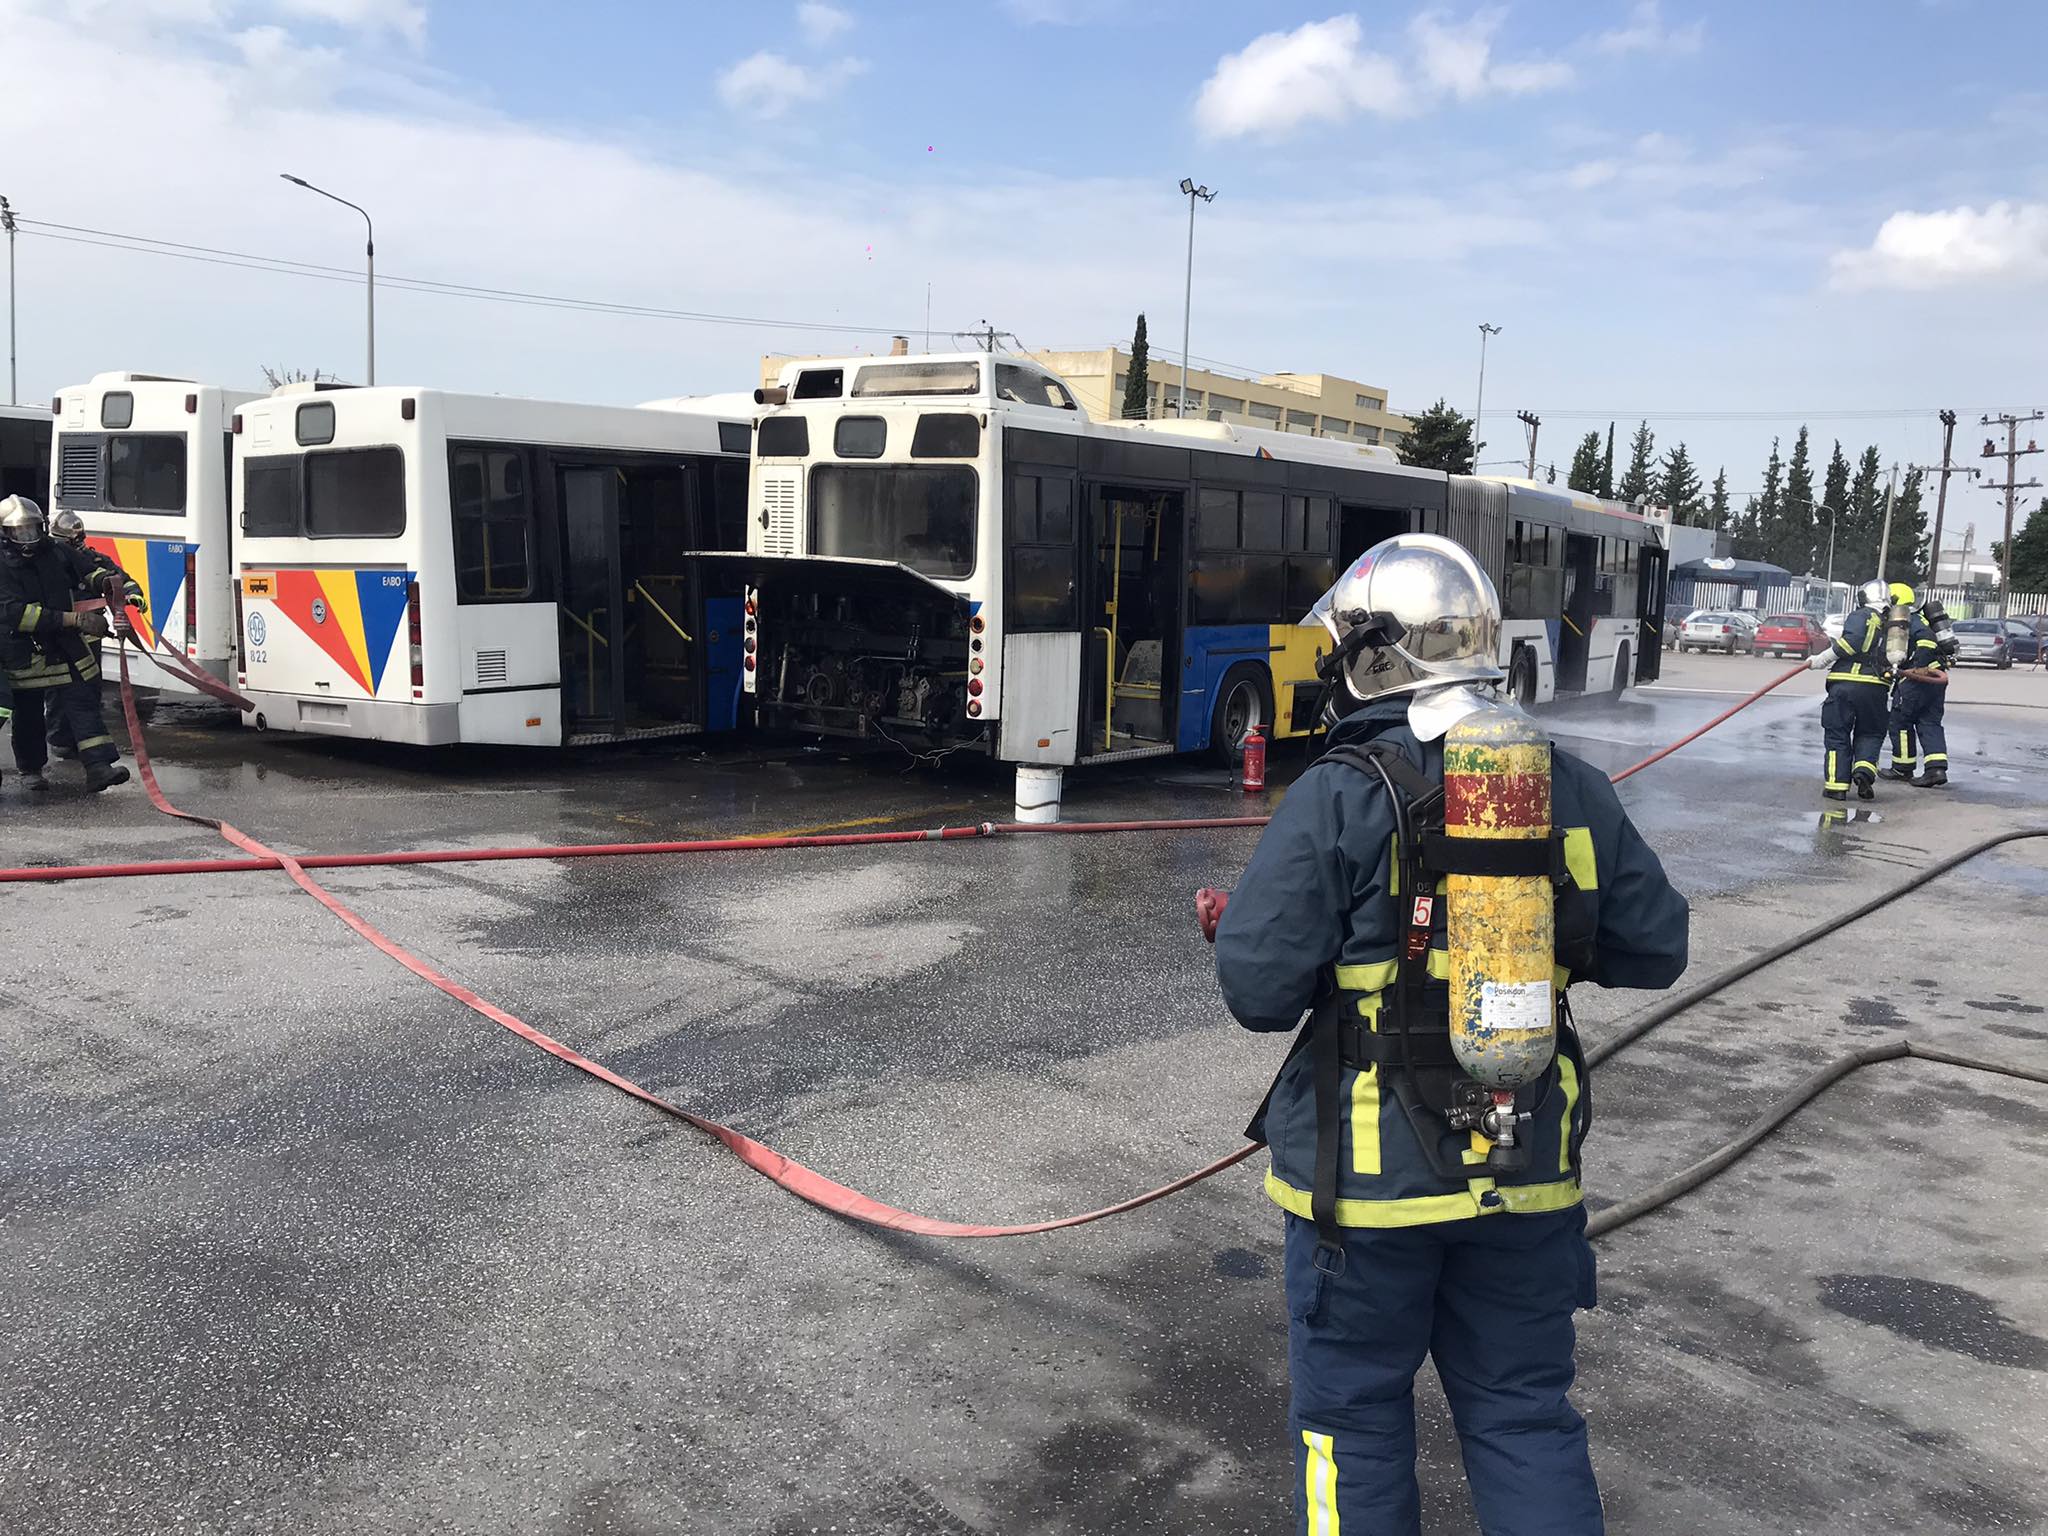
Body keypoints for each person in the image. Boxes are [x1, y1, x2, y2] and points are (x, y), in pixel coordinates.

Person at [1213, 533, 1689, 1535]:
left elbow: (1259, 988)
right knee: (1522, 1415)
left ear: (1377, 653)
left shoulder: (1341, 793)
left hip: (1368, 1193)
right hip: (1523, 1163)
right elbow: (1654, 949)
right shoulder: (1566, 785)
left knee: (1352, 1421)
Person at [0, 495, 131, 792]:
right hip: (20, 649)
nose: (28, 538)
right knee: (29, 712)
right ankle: (31, 770)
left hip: (62, 646)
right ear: (6, 534)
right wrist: (75, 620)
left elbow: (88, 570)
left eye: (32, 529)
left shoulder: (57, 551)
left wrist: (107, 584)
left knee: (82, 702)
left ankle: (99, 767)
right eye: (20, 532)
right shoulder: (2, 565)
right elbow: (14, 613)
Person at [47, 507, 144, 761]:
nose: (73, 546)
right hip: (59, 636)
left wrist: (133, 596)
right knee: (58, 690)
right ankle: (60, 740)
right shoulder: (48, 564)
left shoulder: (94, 561)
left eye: (76, 541)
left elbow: (120, 579)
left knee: (89, 690)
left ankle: (81, 743)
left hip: (91, 637)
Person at [1820, 580, 1891, 802]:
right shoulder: (1895, 625)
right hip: (1877, 687)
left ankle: (1836, 786)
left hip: (1845, 684)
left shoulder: (1862, 615)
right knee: (1870, 732)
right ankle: (1864, 773)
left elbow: (1851, 644)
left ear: (1863, 597)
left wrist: (1823, 658)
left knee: (1838, 734)